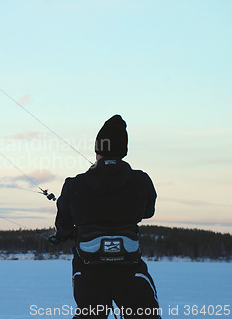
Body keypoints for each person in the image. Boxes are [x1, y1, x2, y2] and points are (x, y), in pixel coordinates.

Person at [50, 114, 161, 319]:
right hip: (130, 270)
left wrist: (65, 233)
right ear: (123, 150)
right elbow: (148, 211)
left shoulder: (74, 184)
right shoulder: (142, 180)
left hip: (88, 271)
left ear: (98, 149)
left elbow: (63, 223)